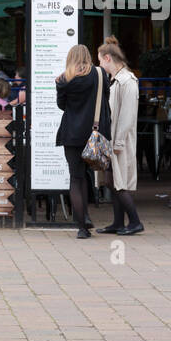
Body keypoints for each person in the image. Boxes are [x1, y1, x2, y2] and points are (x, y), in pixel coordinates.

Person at [56, 45, 111, 238]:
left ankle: (81, 226)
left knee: (75, 178)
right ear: (88, 56)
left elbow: (61, 105)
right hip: (93, 133)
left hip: (71, 133)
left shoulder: (64, 79)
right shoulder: (100, 74)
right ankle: (85, 217)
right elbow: (106, 99)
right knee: (86, 174)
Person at [96, 36, 142, 235]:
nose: (98, 64)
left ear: (107, 58)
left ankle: (134, 221)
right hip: (113, 138)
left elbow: (127, 116)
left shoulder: (127, 81)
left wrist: (119, 142)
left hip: (119, 139)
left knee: (119, 181)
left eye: (99, 60)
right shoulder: (116, 81)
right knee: (111, 180)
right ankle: (118, 222)